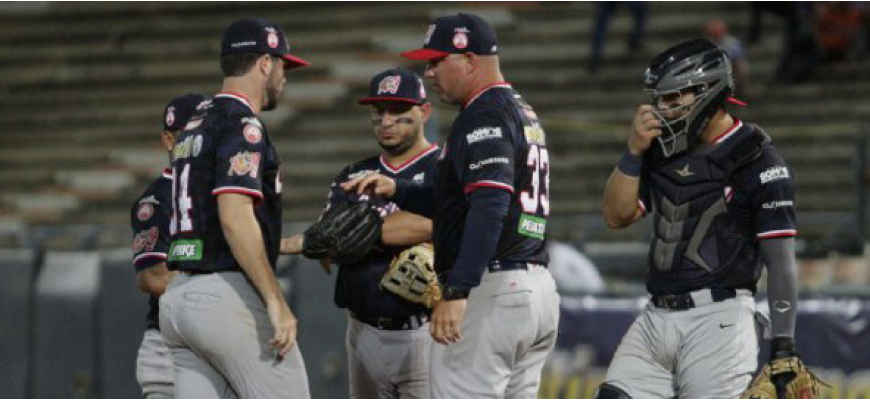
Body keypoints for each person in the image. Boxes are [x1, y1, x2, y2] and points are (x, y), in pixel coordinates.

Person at [343, 13, 561, 398]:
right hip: (534, 287)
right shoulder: (518, 107)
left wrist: (458, 290)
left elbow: (490, 204)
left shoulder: (485, 113)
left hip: (494, 287)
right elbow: (461, 199)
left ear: (470, 60)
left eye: (437, 61)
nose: (428, 72)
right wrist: (399, 190)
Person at [598, 38, 800, 398]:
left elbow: (780, 259)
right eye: (661, 99)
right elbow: (616, 216)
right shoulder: (660, 150)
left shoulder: (758, 159)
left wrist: (783, 344)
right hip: (656, 315)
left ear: (708, 91)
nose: (664, 109)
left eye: (675, 99)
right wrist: (632, 153)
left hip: (718, 319)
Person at [159, 18, 311, 398]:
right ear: (264, 63)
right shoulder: (242, 124)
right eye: (282, 65)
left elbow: (211, 220)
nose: (284, 76)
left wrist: (289, 243)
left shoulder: (195, 122)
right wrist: (275, 300)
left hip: (178, 298)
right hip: (223, 294)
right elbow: (234, 215)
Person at [282, 68, 439, 399]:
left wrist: (368, 236)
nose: (386, 120)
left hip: (426, 332)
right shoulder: (353, 174)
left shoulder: (445, 168)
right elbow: (328, 240)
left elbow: (455, 225)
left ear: (424, 111)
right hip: (362, 329)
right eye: (378, 111)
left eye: (398, 110)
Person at [131, 93, 209, 399]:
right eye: (191, 134)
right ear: (168, 139)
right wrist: (218, 279)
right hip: (170, 348)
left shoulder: (223, 193)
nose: (200, 143)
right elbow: (153, 278)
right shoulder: (156, 201)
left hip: (216, 342)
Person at [704, 19, 749, 97]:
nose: (717, 33)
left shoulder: (732, 42)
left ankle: (739, 94)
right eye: (714, 31)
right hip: (712, 69)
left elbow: (739, 58)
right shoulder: (705, 43)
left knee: (740, 68)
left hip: (730, 67)